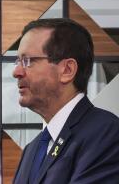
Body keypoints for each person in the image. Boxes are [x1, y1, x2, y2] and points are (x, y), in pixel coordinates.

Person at [12, 18, 119, 184]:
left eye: (28, 61)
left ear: (67, 70)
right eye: (18, 61)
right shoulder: (31, 150)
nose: (16, 72)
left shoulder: (107, 133)